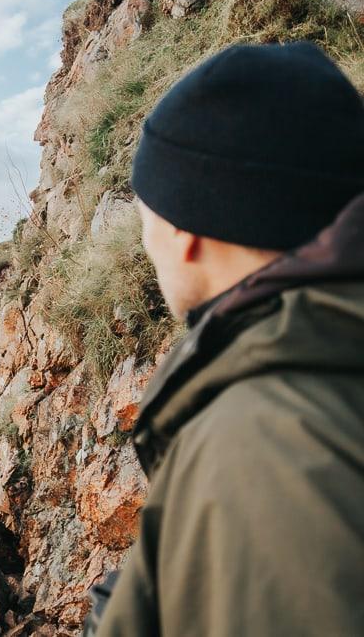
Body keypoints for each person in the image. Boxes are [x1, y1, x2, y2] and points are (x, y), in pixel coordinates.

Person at [85, 41, 364, 636]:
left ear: (186, 228)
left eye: (146, 219)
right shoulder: (323, 369)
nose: (146, 243)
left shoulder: (266, 444)